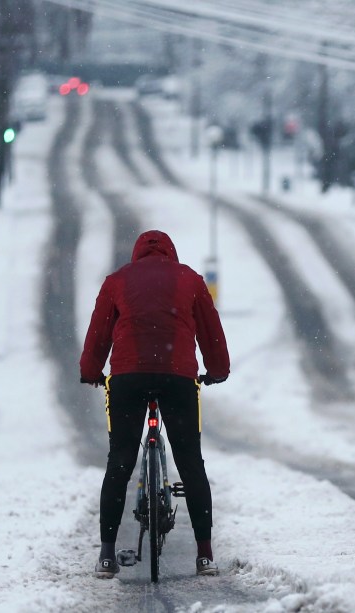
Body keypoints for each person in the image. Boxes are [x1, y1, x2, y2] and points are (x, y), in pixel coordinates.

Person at [80, 230, 230, 579]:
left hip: (128, 377)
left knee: (119, 461)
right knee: (190, 461)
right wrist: (217, 370)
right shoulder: (190, 279)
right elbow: (210, 330)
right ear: (170, 254)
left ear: (137, 255)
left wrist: (91, 372)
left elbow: (99, 333)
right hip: (177, 376)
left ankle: (106, 555)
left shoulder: (116, 281)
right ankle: (205, 554)